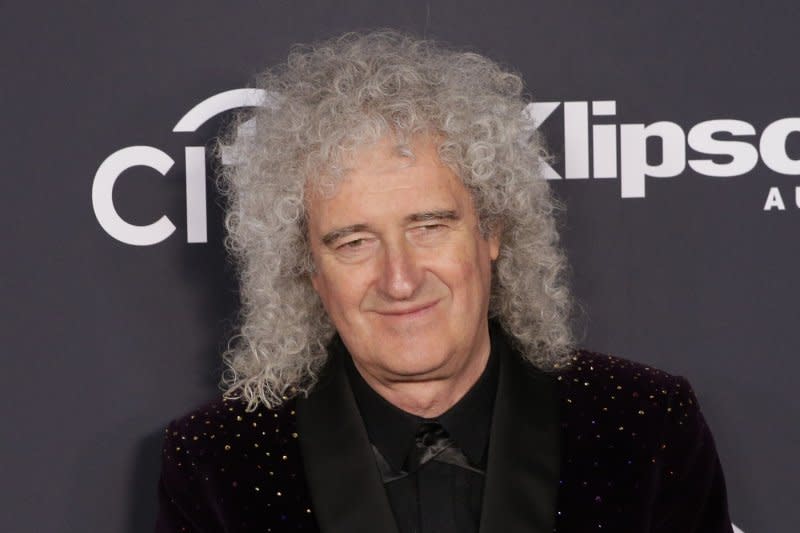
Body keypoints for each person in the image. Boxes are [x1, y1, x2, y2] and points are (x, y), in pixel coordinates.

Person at [155, 30, 733, 533]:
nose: (400, 280)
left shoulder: (643, 424)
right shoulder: (219, 462)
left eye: (429, 226)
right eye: (353, 242)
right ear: (307, 267)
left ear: (492, 233)